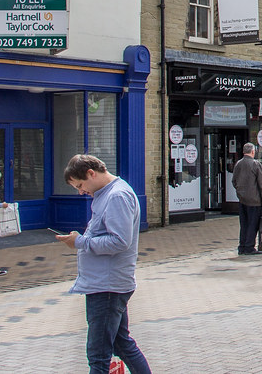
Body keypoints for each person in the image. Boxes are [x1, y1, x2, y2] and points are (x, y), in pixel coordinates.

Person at [56, 155, 151, 374]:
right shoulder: (107, 194)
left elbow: (119, 241)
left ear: (91, 173)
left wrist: (79, 242)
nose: (81, 192)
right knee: (121, 344)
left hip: (107, 286)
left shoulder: (117, 196)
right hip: (106, 283)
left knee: (98, 354)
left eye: (80, 186)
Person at [231, 142, 262, 255]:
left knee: (244, 224)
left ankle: (242, 247)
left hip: (242, 200)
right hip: (255, 201)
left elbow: (234, 181)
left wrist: (239, 191)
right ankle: (249, 247)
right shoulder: (256, 164)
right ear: (252, 151)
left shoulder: (238, 164)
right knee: (253, 225)